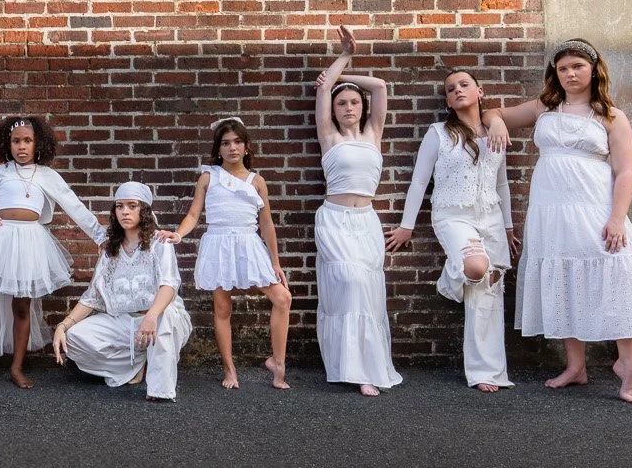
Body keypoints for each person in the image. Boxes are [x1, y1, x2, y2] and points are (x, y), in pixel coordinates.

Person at [486, 38, 632, 403]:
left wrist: (618, 218)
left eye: (577, 66)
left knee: (622, 276)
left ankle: (629, 372)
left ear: (594, 70)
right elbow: (493, 114)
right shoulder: (547, 107)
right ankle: (576, 367)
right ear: (554, 74)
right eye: (562, 68)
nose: (570, 73)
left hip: (594, 207)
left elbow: (625, 173)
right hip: (552, 212)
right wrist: (496, 122)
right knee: (563, 279)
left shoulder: (610, 115)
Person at [0, 114, 105, 393]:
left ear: (38, 143)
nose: (21, 146)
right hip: (0, 239)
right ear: (7, 144)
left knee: (21, 306)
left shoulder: (47, 176)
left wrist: (101, 237)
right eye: (16, 141)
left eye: (27, 141)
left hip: (30, 242)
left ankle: (16, 367)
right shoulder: (0, 173)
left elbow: (74, 206)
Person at [387, 69, 519, 392]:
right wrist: (407, 226)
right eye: (450, 89)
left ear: (480, 91)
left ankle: (486, 372)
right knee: (476, 269)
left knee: (489, 291)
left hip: (490, 217)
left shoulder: (494, 131)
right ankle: (450, 279)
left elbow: (501, 183)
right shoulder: (438, 133)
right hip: (453, 216)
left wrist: (509, 227)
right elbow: (420, 180)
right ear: (447, 101)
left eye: (464, 84)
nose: (458, 90)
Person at [162, 119, 292, 390]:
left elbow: (266, 224)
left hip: (249, 244)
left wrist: (275, 262)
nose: (232, 148)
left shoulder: (258, 182)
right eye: (225, 143)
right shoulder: (209, 178)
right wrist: (179, 234)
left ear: (246, 147)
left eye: (237, 142)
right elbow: (193, 214)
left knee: (282, 297)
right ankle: (229, 369)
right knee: (222, 308)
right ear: (218, 148)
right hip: (219, 244)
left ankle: (278, 363)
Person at [312, 27, 402, 395]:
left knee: (367, 291)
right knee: (348, 284)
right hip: (334, 220)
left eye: (353, 102)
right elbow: (321, 89)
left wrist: (344, 76)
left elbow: (379, 85)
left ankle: (367, 370)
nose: (348, 107)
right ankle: (348, 366)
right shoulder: (328, 136)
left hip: (365, 222)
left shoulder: (373, 134)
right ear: (333, 111)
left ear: (362, 107)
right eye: (341, 103)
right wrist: (341, 60)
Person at [53, 182, 192, 402]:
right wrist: (63, 325)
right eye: (119, 206)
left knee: (164, 316)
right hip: (125, 322)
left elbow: (169, 285)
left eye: (132, 206)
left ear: (144, 210)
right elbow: (92, 297)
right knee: (73, 339)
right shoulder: (111, 251)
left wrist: (151, 316)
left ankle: (160, 390)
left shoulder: (160, 243)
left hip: (159, 317)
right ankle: (135, 364)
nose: (124, 211)